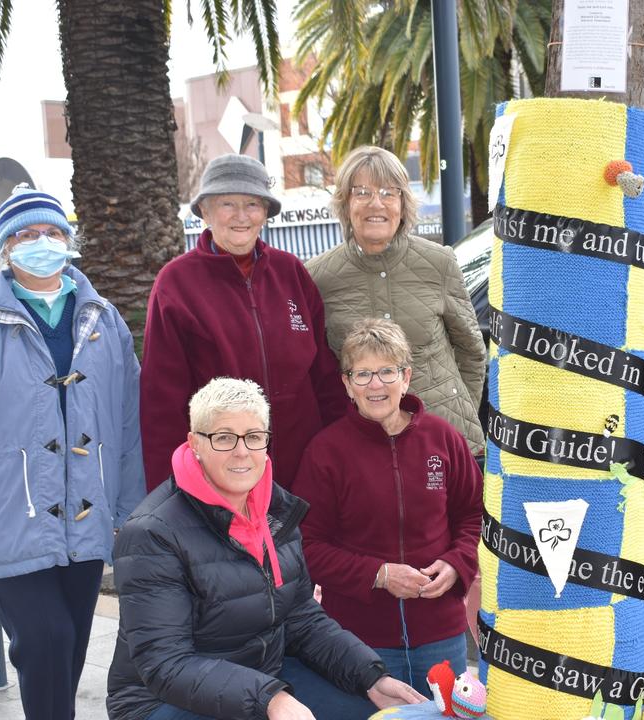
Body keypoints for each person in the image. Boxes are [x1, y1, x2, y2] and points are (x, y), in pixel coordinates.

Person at [0, 185, 146, 720]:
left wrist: (129, 511)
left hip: (87, 521)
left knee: (70, 647)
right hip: (7, 519)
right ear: (5, 250)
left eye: (52, 231)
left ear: (69, 240)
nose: (41, 241)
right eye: (24, 234)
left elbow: (128, 425)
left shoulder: (103, 322)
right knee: (46, 639)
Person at [107, 377, 426, 720]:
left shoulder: (276, 511)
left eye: (254, 437)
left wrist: (371, 677)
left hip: (261, 677)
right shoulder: (152, 534)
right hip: (161, 701)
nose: (242, 451)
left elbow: (300, 616)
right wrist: (270, 699)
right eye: (224, 438)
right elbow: (166, 664)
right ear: (195, 443)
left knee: (372, 710)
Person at [292, 318, 483, 695]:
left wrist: (456, 562)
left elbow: (474, 515)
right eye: (362, 374)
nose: (375, 385)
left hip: (441, 636)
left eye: (386, 372)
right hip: (359, 642)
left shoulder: (443, 439)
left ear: (406, 377)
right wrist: (378, 574)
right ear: (346, 384)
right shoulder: (326, 452)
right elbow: (306, 545)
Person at [141, 154, 345, 491]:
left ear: (265, 212)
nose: (241, 216)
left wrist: (338, 456)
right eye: (227, 204)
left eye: (252, 204)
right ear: (204, 211)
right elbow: (161, 404)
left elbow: (325, 377)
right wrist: (171, 495)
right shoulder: (176, 284)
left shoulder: (291, 272)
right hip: (222, 478)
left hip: (304, 473)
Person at [307, 145, 486, 456]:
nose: (376, 203)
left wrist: (457, 407)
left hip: (449, 443)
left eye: (389, 193)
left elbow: (472, 349)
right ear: (345, 203)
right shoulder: (318, 277)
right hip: (366, 446)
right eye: (362, 192)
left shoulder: (439, 262)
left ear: (403, 204)